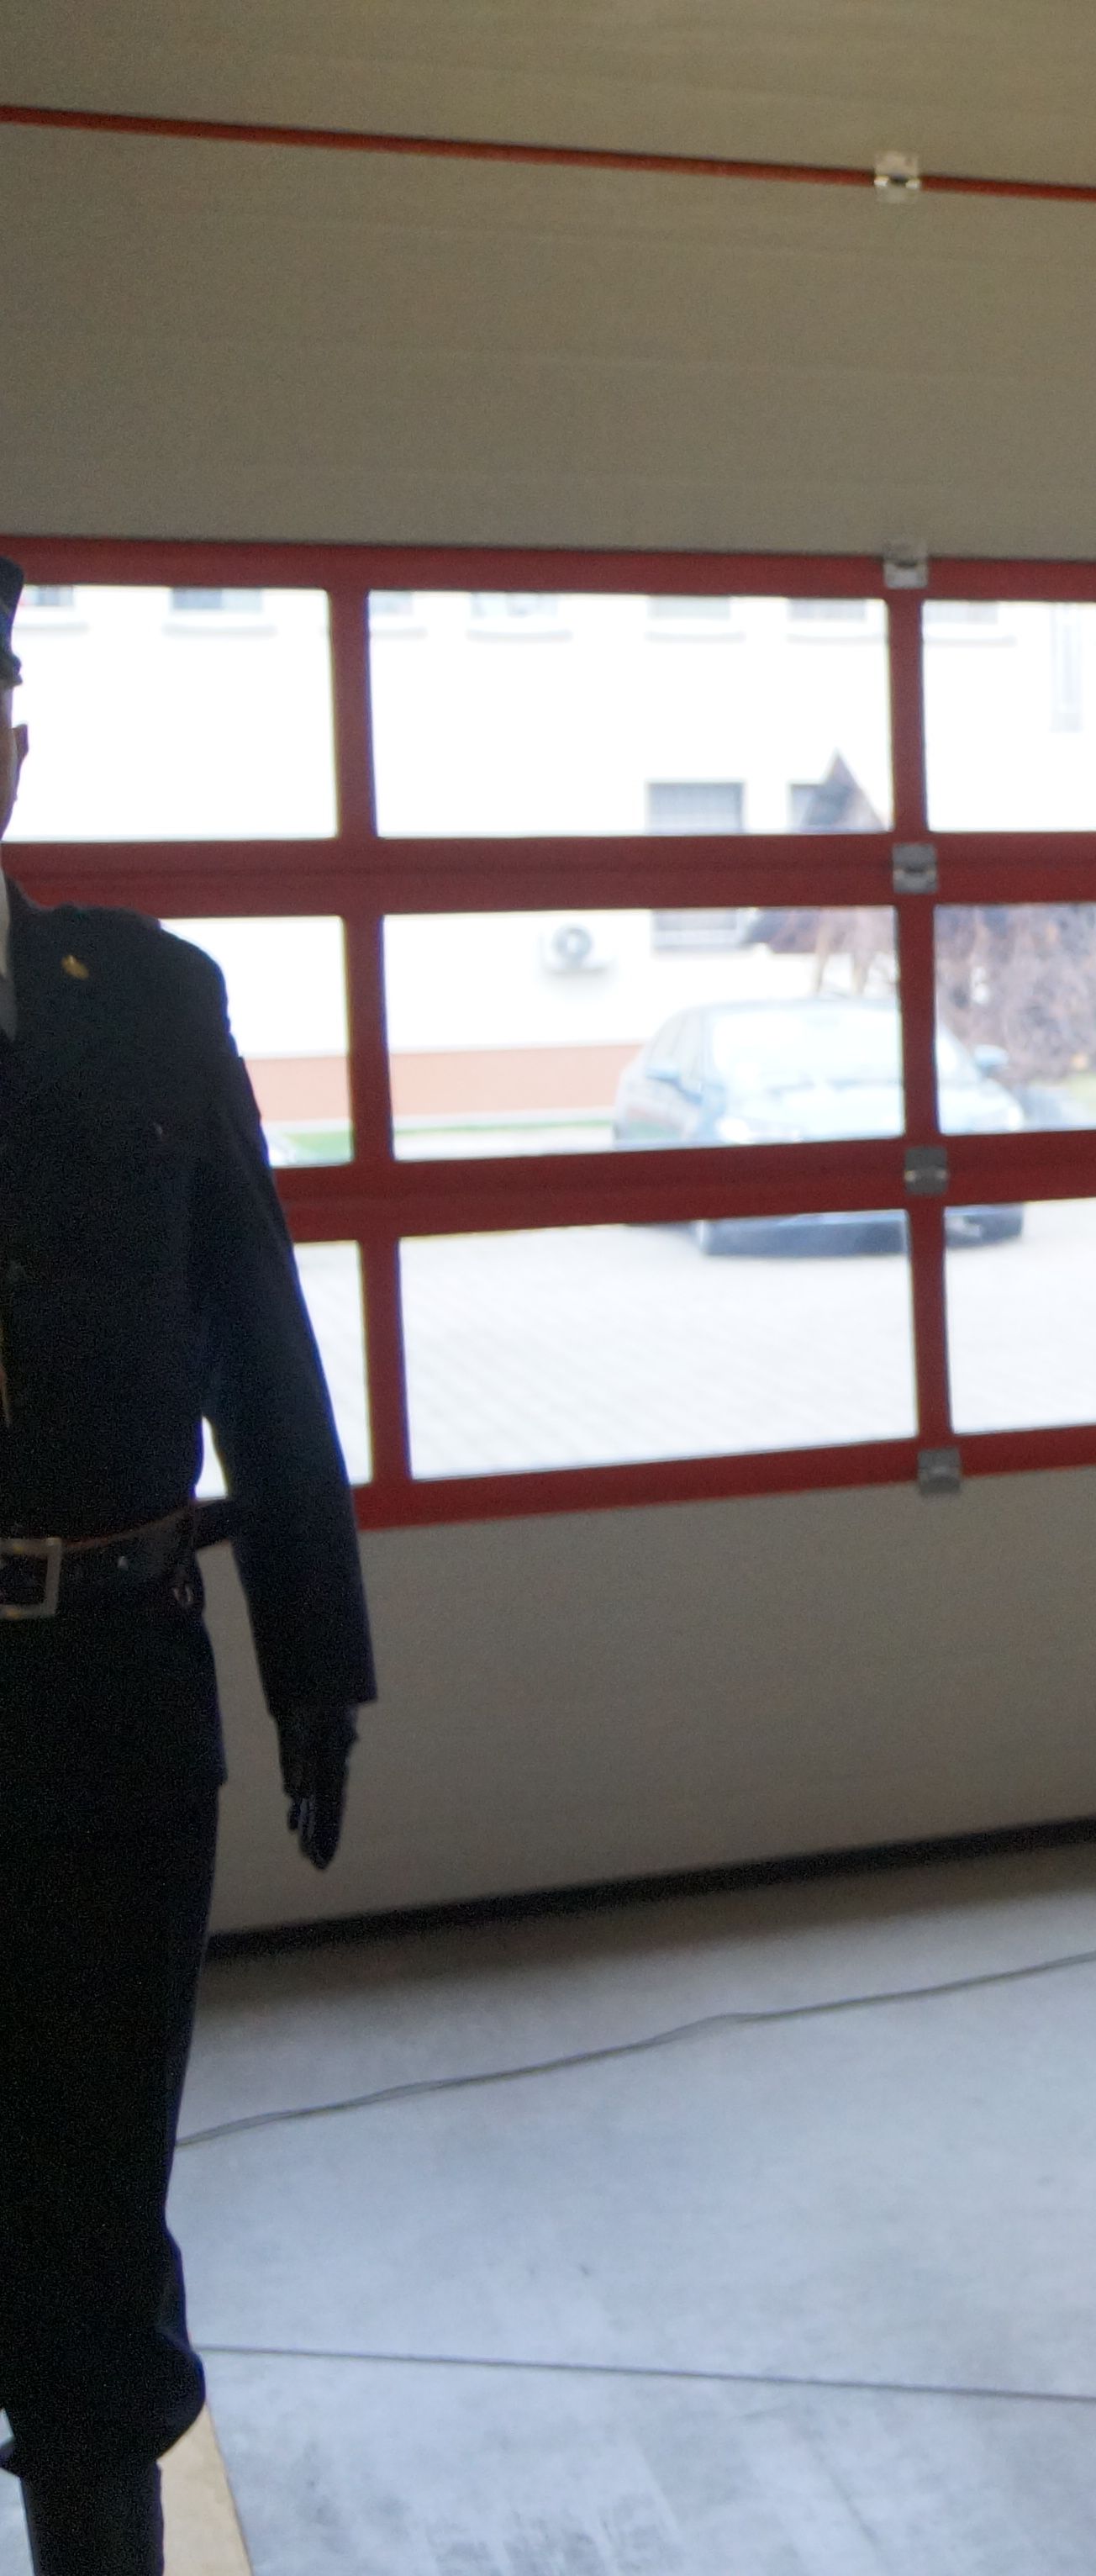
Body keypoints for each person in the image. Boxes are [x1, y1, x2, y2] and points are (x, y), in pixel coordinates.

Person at [0, 557, 377, 2576]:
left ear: (13, 753)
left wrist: (317, 1654)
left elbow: (257, 1326)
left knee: (93, 2221)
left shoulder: (146, 997)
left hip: (114, 1701)